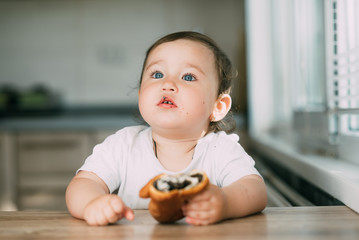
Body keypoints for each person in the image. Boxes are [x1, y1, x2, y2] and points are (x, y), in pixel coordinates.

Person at [65, 31, 267, 226]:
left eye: (188, 77)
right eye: (157, 74)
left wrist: (225, 202)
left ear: (218, 107)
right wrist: (92, 203)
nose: (167, 84)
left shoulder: (220, 149)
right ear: (140, 95)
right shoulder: (123, 145)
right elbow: (84, 183)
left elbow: (255, 190)